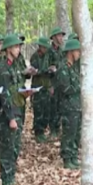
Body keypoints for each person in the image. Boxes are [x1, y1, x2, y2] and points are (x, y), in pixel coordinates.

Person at [0, 34, 33, 185]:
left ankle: (11, 176)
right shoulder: (2, 68)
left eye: (19, 47)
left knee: (15, 146)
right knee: (8, 147)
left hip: (20, 108)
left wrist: (26, 92)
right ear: (8, 49)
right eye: (16, 47)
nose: (18, 49)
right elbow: (4, 95)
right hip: (9, 113)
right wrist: (10, 118)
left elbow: (19, 85)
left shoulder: (17, 65)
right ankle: (6, 179)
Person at [56, 39, 82, 169]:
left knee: (76, 133)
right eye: (77, 51)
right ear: (71, 52)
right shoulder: (63, 68)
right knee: (69, 133)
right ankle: (67, 158)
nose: (79, 53)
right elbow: (65, 89)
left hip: (77, 106)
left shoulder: (74, 68)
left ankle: (73, 155)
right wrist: (81, 86)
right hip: (68, 107)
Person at [29, 37, 53, 142]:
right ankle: (38, 133)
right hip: (37, 88)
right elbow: (35, 71)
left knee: (47, 111)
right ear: (40, 47)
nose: (46, 49)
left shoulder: (49, 55)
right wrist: (47, 70)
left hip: (47, 87)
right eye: (44, 47)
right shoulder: (34, 57)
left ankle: (43, 130)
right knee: (38, 111)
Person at [47, 27, 65, 139]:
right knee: (52, 108)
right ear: (53, 37)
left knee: (59, 107)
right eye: (59, 35)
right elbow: (45, 67)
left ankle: (57, 129)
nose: (61, 38)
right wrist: (50, 85)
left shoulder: (61, 51)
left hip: (60, 83)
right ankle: (53, 130)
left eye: (62, 35)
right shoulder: (49, 51)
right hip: (52, 82)